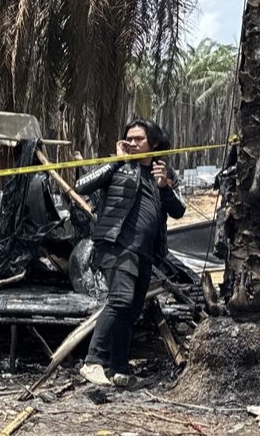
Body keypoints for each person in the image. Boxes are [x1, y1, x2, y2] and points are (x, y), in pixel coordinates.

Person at [74, 118, 186, 384]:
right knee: (120, 300)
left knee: (132, 309)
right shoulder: (119, 167)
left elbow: (179, 211)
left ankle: (120, 369)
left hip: (145, 253)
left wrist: (165, 186)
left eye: (139, 139)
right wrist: (116, 161)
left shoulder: (163, 173)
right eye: (129, 139)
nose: (133, 143)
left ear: (153, 143)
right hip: (116, 244)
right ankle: (93, 361)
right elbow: (81, 186)